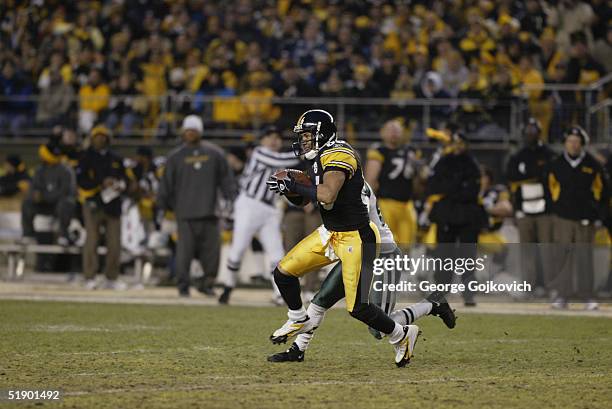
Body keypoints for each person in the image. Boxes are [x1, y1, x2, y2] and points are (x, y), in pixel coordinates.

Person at [266, 110, 420, 367]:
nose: (303, 140)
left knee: (358, 308)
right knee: (283, 273)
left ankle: (402, 333)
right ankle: (297, 319)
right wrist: (294, 192)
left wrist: (294, 186)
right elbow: (310, 196)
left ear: (322, 134)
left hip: (356, 237)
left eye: (307, 135)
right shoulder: (320, 156)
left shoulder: (339, 154)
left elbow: (326, 195)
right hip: (331, 232)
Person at [268, 182, 456, 362]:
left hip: (382, 256)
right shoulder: (334, 178)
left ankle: (432, 304)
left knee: (378, 328)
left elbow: (357, 222)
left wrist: (308, 190)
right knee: (320, 300)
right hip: (356, 252)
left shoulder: (353, 186)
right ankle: (297, 350)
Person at [157, 115, 237, 297]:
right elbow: (166, 184)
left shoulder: (215, 153)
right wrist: (163, 207)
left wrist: (231, 199)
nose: (191, 133)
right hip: (184, 213)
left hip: (210, 211)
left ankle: (207, 283)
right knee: (184, 254)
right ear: (183, 132)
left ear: (200, 132)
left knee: (211, 254)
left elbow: (227, 180)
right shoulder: (175, 157)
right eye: (188, 130)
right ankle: (183, 286)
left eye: (194, 130)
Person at [219, 126, 299, 304]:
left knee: (277, 254)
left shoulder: (280, 161)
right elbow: (280, 159)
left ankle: (279, 294)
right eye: (270, 136)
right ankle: (229, 285)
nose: (274, 140)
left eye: (277, 137)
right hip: (249, 204)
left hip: (269, 209)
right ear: (262, 140)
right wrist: (305, 153)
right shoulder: (260, 152)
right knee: (238, 249)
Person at [547, 126, 609, 310]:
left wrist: (598, 215)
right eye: (570, 141)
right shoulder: (556, 164)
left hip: (585, 218)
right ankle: (562, 295)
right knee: (562, 257)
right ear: (565, 144)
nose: (573, 145)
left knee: (584, 257)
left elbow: (602, 192)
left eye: (576, 142)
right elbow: (549, 190)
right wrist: (555, 211)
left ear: (582, 144)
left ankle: (587, 296)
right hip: (563, 218)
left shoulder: (593, 165)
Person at [425, 130, 486, 306]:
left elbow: (471, 191)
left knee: (468, 255)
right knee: (444, 254)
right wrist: (457, 186)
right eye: (455, 143)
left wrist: (450, 189)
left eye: (461, 143)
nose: (458, 147)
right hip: (446, 214)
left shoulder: (472, 164)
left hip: (466, 214)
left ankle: (468, 294)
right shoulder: (443, 162)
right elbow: (433, 186)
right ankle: (440, 292)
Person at [506, 118, 556, 291]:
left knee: (547, 250)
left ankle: (550, 286)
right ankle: (530, 286)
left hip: (545, 210)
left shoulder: (548, 154)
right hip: (524, 209)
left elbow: (548, 177)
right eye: (527, 131)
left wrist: (528, 176)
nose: (530, 134)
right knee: (527, 251)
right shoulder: (519, 156)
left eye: (533, 131)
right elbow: (511, 177)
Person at [76, 125, 129, 290]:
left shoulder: (116, 158)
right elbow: (81, 181)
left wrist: (121, 185)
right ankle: (89, 276)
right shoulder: (85, 157)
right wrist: (100, 184)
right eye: (97, 136)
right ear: (92, 139)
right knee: (92, 240)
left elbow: (125, 179)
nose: (100, 139)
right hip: (93, 203)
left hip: (113, 204)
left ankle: (111, 277)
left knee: (115, 242)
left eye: (103, 136)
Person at [365, 120, 420, 246]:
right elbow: (370, 180)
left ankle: (403, 266)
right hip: (386, 204)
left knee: (407, 244)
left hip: (407, 204)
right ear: (383, 133)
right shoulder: (379, 151)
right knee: (387, 244)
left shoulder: (411, 151)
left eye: (397, 130)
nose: (394, 133)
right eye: (390, 129)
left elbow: (417, 180)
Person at [21, 141, 76, 246]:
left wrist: (44, 196)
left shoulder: (66, 170)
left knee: (66, 203)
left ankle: (63, 235)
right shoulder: (40, 169)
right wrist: (35, 195)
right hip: (45, 205)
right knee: (27, 203)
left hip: (60, 206)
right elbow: (34, 187)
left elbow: (65, 192)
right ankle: (28, 235)